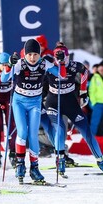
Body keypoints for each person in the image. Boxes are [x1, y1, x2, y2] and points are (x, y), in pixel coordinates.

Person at [40, 43, 103, 176]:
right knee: (59, 128)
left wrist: (83, 92)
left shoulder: (73, 65)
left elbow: (85, 72)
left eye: (64, 57)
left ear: (68, 56)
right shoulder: (50, 65)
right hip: (53, 102)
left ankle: (101, 161)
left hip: (70, 102)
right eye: (58, 57)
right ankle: (60, 158)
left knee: (86, 130)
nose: (62, 60)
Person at [8, 39, 61, 184]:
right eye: (29, 54)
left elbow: (60, 75)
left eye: (35, 54)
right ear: (25, 54)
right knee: (22, 132)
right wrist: (10, 65)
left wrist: (60, 62)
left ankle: (34, 168)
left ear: (40, 54)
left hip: (35, 103)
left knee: (33, 135)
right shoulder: (20, 64)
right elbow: (5, 78)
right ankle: (20, 164)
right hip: (19, 102)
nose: (32, 57)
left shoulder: (44, 63)